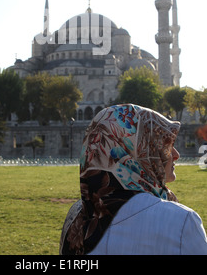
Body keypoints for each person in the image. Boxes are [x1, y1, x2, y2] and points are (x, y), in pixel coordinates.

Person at [59, 104, 207, 255]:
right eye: (165, 145)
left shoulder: (77, 217)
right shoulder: (182, 223)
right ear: (137, 150)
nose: (176, 154)